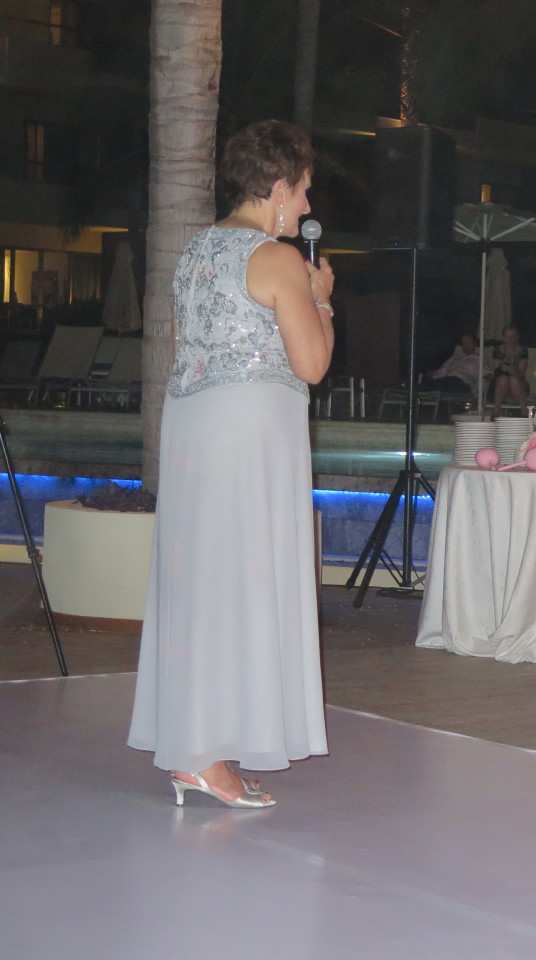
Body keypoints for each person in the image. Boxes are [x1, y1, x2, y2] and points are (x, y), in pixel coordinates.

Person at [128, 120, 335, 808]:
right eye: (302, 191)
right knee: (240, 579)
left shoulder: (196, 251)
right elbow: (312, 363)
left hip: (195, 427)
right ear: (276, 188)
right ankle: (204, 756)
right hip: (249, 439)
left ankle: (199, 746)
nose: (306, 205)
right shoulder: (277, 259)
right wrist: (322, 298)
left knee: (205, 582)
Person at [489, 324, 528, 418]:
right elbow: (497, 371)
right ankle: (496, 411)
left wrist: (511, 369)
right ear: (503, 337)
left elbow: (521, 373)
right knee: (503, 379)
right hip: (501, 385)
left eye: (512, 337)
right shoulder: (497, 350)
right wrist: (507, 369)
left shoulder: (523, 351)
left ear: (517, 338)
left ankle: (524, 412)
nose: (510, 340)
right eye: (507, 336)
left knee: (514, 380)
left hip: (519, 385)